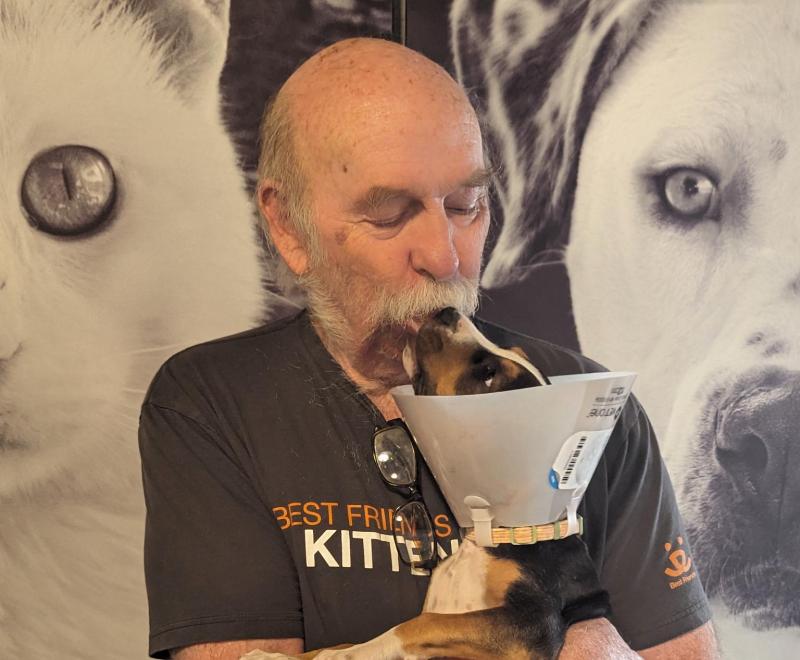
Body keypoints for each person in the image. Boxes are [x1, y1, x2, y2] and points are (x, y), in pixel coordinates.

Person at [138, 38, 717, 660]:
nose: (445, 256)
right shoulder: (211, 405)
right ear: (288, 225)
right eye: (389, 215)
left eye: (467, 205)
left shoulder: (590, 412)